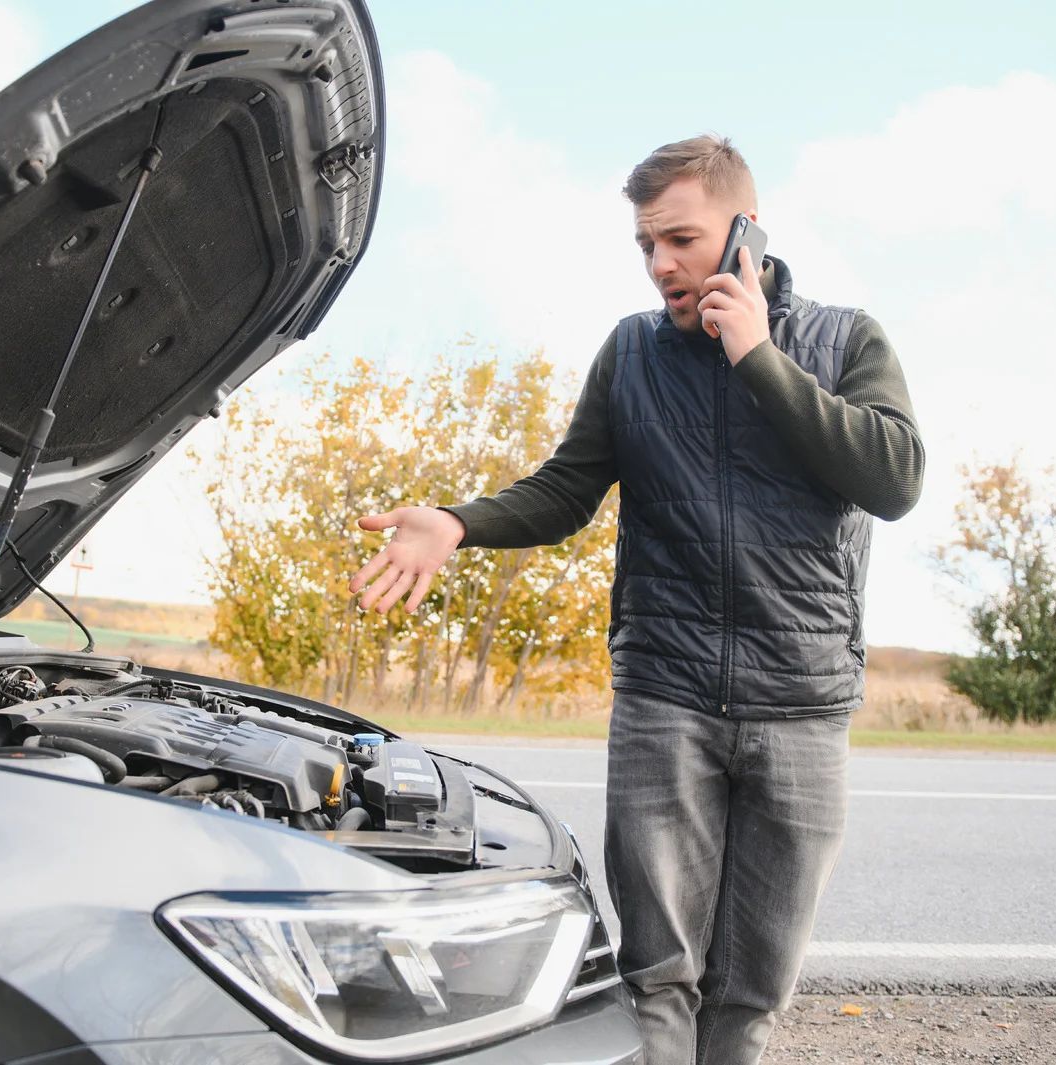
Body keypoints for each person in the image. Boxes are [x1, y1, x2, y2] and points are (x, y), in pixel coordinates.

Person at [346, 135, 923, 1063]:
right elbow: (565, 490)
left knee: (752, 991)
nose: (661, 265)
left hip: (803, 707)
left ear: (746, 234)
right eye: (647, 245)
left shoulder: (846, 339)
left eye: (681, 240)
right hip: (666, 700)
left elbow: (893, 480)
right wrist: (457, 522)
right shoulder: (632, 354)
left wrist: (761, 360)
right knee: (657, 976)